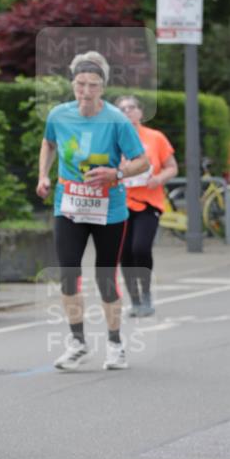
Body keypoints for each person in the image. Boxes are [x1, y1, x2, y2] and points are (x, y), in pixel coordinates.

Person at [36, 51, 148, 372]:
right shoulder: (59, 114)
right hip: (69, 205)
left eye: (93, 86)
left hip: (108, 209)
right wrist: (44, 175)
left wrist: (118, 174)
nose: (86, 92)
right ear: (72, 83)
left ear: (103, 87)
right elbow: (49, 143)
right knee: (68, 273)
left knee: (105, 277)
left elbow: (143, 160)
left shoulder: (116, 120)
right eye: (81, 84)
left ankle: (115, 344)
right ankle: (77, 342)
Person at [115, 95, 177, 317]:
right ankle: (135, 299)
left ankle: (146, 292)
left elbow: (172, 167)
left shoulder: (155, 138)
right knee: (124, 253)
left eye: (132, 107)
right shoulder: (113, 138)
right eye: (122, 109)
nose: (128, 112)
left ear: (140, 112)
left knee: (140, 248)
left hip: (148, 201)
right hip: (119, 203)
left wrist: (159, 179)